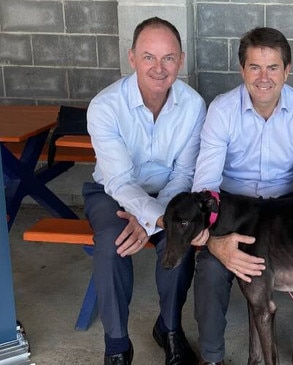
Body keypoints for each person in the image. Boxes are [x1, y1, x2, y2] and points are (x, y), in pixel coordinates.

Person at [190, 27, 293, 365]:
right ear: (242, 70)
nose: (263, 77)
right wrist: (214, 239)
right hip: (232, 208)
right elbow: (205, 187)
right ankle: (212, 357)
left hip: (286, 207)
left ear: (287, 70)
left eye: (273, 68)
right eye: (255, 67)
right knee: (210, 267)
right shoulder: (222, 110)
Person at [83, 17, 206, 365]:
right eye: (149, 57)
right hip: (111, 192)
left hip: (170, 193)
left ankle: (169, 329)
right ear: (132, 58)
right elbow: (119, 180)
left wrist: (158, 219)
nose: (159, 67)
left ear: (180, 60)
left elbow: (184, 174)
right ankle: (117, 346)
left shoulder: (194, 105)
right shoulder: (106, 106)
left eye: (168, 58)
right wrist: (151, 217)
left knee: (180, 236)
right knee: (111, 241)